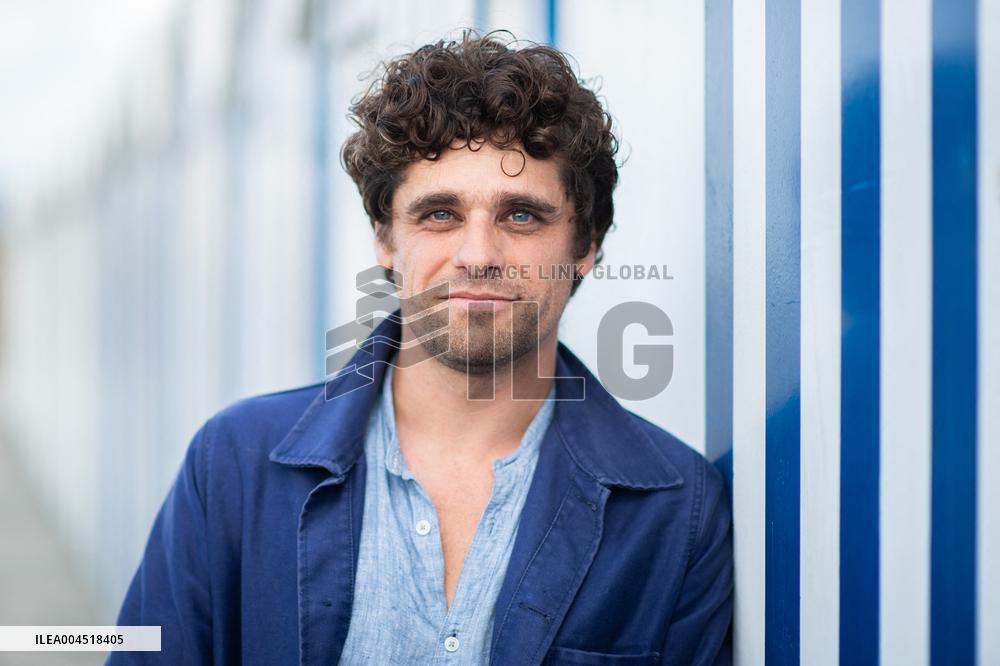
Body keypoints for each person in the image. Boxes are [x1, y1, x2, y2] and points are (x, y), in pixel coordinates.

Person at [110, 31, 732, 665]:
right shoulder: (235, 464)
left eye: (521, 215)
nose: (478, 256)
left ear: (585, 245)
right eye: (440, 214)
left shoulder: (676, 512)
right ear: (385, 239)